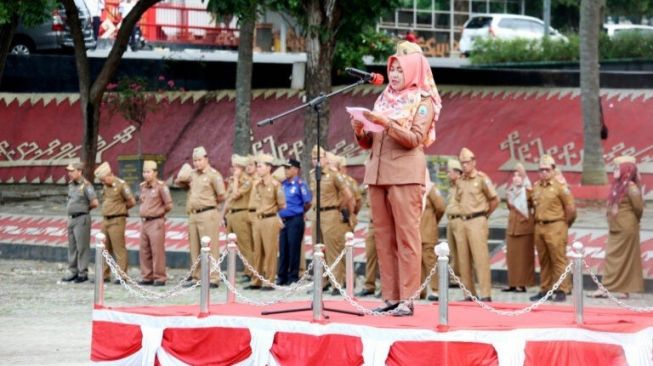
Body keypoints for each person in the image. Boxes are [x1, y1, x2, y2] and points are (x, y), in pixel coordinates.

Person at [350, 41, 441, 316]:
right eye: (392, 69)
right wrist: (360, 130)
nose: (394, 75)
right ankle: (390, 296)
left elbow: (415, 138)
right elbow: (370, 142)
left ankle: (408, 298)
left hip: (405, 174)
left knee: (407, 238)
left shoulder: (423, 101)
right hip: (377, 174)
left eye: (400, 70)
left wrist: (388, 123)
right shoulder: (383, 99)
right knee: (383, 237)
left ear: (413, 72)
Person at [590, 156, 644, 299]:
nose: (614, 170)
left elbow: (639, 208)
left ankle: (607, 288)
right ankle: (620, 289)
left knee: (618, 258)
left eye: (616, 168)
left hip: (626, 229)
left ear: (625, 169)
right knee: (616, 259)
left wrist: (629, 221)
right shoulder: (619, 186)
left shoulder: (631, 187)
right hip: (617, 228)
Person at [174, 146, 225, 288]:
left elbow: (221, 195)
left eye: (199, 160)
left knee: (210, 246)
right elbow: (179, 183)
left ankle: (213, 277)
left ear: (206, 159)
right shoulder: (192, 175)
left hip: (208, 213)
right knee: (194, 247)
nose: (197, 163)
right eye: (195, 160)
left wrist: (213, 207)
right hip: (193, 215)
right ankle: (196, 277)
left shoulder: (214, 175)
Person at [529, 154, 576, 302]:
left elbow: (570, 208)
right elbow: (531, 204)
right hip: (540, 226)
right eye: (541, 170)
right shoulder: (536, 187)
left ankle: (562, 289)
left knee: (558, 259)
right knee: (544, 259)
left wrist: (564, 223)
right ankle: (546, 288)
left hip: (556, 225)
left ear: (553, 170)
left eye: (547, 170)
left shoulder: (560, 187)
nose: (543, 173)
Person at [455, 147, 499, 302]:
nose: (464, 166)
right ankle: (468, 294)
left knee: (481, 259)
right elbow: (458, 200)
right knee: (463, 260)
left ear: (473, 162)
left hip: (477, 220)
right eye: (462, 163)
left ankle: (485, 294)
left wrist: (485, 215)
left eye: (466, 162)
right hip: (463, 221)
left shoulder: (481, 179)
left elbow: (494, 199)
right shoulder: (460, 181)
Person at [310, 146, 353, 295]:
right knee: (317, 249)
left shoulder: (334, 175)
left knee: (332, 250)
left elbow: (348, 195)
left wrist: (338, 207)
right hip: (316, 215)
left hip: (330, 214)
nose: (316, 160)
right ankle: (322, 282)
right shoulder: (312, 175)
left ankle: (337, 283)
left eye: (319, 157)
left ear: (326, 159)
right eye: (314, 158)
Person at [246, 154, 286, 290]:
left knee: (270, 251)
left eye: (260, 166)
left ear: (269, 168)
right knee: (258, 251)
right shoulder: (257, 185)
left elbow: (282, 204)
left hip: (270, 219)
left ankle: (269, 280)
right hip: (258, 219)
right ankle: (256, 280)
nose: (258, 169)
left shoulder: (275, 184)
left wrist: (271, 211)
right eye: (257, 166)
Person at [94, 161, 136, 284]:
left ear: (109, 175)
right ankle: (104, 274)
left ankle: (122, 275)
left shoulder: (121, 185)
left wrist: (120, 209)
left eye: (103, 179)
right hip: (105, 220)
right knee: (104, 249)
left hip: (117, 220)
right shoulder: (105, 186)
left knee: (119, 249)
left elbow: (131, 201)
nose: (102, 182)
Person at [62, 161, 98, 283]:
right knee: (72, 247)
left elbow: (94, 203)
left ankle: (83, 273)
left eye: (72, 171)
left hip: (82, 219)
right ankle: (73, 271)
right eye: (69, 171)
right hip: (71, 219)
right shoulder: (71, 185)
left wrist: (83, 210)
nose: (69, 173)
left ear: (79, 171)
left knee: (82, 247)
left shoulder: (86, 185)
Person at [276, 158, 312, 286]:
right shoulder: (283, 184)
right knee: (283, 248)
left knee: (293, 248)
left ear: (296, 170)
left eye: (288, 168)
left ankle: (293, 276)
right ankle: (282, 276)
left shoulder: (300, 184)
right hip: (283, 220)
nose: (285, 170)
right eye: (284, 168)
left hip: (295, 220)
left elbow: (307, 202)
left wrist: (299, 212)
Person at [138, 160, 172, 286]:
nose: (145, 174)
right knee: (144, 250)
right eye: (144, 172)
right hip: (144, 222)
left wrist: (158, 212)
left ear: (155, 173)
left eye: (148, 172)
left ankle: (159, 277)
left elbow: (169, 205)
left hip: (156, 221)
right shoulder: (143, 186)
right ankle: (147, 276)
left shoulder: (161, 187)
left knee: (157, 251)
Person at [502, 163, 535, 293]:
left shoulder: (528, 190)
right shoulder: (511, 190)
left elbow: (533, 203)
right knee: (512, 257)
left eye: (519, 175)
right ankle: (512, 283)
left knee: (523, 257)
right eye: (514, 175)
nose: (516, 177)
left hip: (524, 227)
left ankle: (522, 284)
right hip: (512, 227)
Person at [224, 154, 255, 283]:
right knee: (232, 246)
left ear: (241, 168)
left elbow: (236, 195)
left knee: (245, 245)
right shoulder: (233, 180)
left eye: (235, 167)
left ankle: (250, 272)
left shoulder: (247, 180)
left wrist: (236, 180)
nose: (233, 170)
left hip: (241, 214)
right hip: (231, 214)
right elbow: (228, 198)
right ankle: (233, 271)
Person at [420, 171, 445, 301]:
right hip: (416, 230)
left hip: (428, 230)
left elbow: (440, 207)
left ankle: (436, 290)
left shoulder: (431, 188)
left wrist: (433, 221)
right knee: (418, 262)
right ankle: (420, 291)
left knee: (430, 260)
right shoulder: (415, 187)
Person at [356, 191, 380, 298]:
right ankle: (369, 286)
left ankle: (386, 288)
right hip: (371, 224)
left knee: (386, 259)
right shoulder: (369, 189)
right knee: (370, 256)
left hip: (384, 224)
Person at [444, 159, 463, 279]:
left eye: (449, 171)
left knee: (461, 250)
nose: (447, 174)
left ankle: (461, 276)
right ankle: (454, 276)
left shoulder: (462, 185)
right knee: (452, 251)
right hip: (450, 221)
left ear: (457, 173)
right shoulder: (451, 187)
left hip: (460, 220)